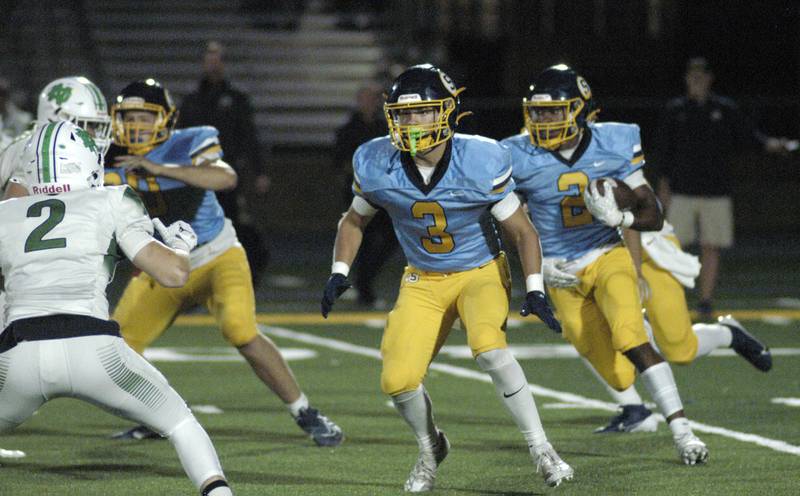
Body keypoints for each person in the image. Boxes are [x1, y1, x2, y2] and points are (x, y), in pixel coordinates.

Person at [321, 64, 573, 491]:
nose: (411, 123)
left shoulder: (480, 158)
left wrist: (535, 287)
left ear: (448, 112)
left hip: (480, 271)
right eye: (402, 114)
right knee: (397, 380)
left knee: (490, 351)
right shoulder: (376, 160)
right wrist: (339, 272)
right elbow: (353, 221)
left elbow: (521, 231)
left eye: (422, 113)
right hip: (424, 278)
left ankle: (542, 449)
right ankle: (429, 447)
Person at [105, 78, 343, 446]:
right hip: (164, 265)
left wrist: (157, 167)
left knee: (240, 330)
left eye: (145, 116)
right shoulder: (107, 154)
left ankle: (305, 411)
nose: (136, 125)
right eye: (129, 116)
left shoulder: (188, 141)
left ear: (166, 119)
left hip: (216, 255)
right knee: (118, 344)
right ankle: (154, 416)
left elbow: (225, 177)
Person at [0, 120, 233, 495]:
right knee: (179, 423)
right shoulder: (111, 199)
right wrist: (180, 247)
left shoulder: (6, 213)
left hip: (19, 357)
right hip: (95, 351)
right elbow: (173, 274)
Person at [502, 64, 708, 465]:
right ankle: (636, 383)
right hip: (560, 270)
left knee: (633, 338)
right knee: (617, 374)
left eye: (553, 111)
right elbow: (506, 222)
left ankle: (683, 432)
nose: (543, 120)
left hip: (605, 253)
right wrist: (536, 270)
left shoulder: (614, 142)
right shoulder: (515, 153)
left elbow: (654, 213)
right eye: (538, 111)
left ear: (580, 110)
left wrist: (622, 219)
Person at [576, 218, 773, 433]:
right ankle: (634, 410)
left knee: (681, 350)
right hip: (594, 257)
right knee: (587, 330)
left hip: (647, 250)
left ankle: (727, 334)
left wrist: (635, 270)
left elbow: (637, 210)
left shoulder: (619, 183)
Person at [655, 57, 786, 320]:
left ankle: (705, 301)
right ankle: (672, 300)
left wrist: (772, 144)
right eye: (692, 76)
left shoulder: (724, 109)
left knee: (710, 247)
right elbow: (663, 152)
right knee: (672, 248)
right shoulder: (675, 110)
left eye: (701, 75)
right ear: (686, 79)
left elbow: (749, 137)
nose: (697, 80)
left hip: (716, 192)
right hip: (682, 192)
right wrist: (663, 186)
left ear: (709, 78)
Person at [179, 41, 270, 285]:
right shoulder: (191, 101)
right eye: (209, 58)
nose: (213, 63)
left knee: (234, 225)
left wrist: (259, 171)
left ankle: (247, 271)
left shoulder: (237, 100)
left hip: (228, 176)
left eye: (217, 58)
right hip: (198, 177)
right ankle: (196, 280)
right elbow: (181, 138)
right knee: (195, 228)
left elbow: (249, 137)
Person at [333, 82, 397, 307]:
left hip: (385, 194)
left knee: (392, 237)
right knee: (363, 240)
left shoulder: (384, 128)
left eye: (373, 98)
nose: (370, 103)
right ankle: (363, 288)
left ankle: (365, 282)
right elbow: (339, 162)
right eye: (366, 98)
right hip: (360, 194)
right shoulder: (348, 130)